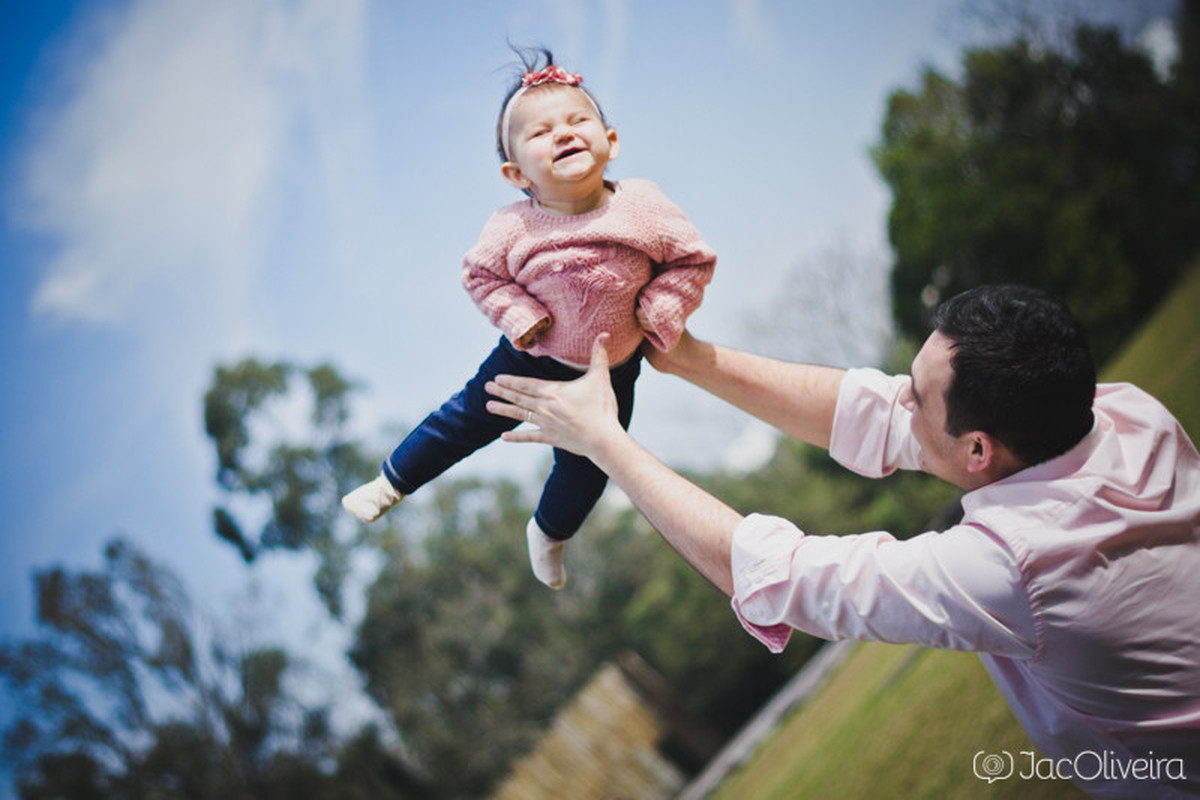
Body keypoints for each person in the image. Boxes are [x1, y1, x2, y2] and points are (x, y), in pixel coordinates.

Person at [484, 284, 1200, 798]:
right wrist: (689, 357)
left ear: (979, 450)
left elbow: (780, 574)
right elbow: (875, 414)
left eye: (917, 396)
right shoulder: (1125, 413)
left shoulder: (1014, 568)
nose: (900, 401)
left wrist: (603, 440)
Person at [341, 47, 715, 589]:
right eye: (540, 133)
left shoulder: (642, 205)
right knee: (462, 421)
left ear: (611, 142)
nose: (563, 133)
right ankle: (392, 481)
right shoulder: (511, 228)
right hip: (529, 357)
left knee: (592, 466)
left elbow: (692, 259)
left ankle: (548, 532)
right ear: (517, 173)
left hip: (609, 371)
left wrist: (661, 308)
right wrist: (520, 315)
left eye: (577, 120)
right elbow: (479, 277)